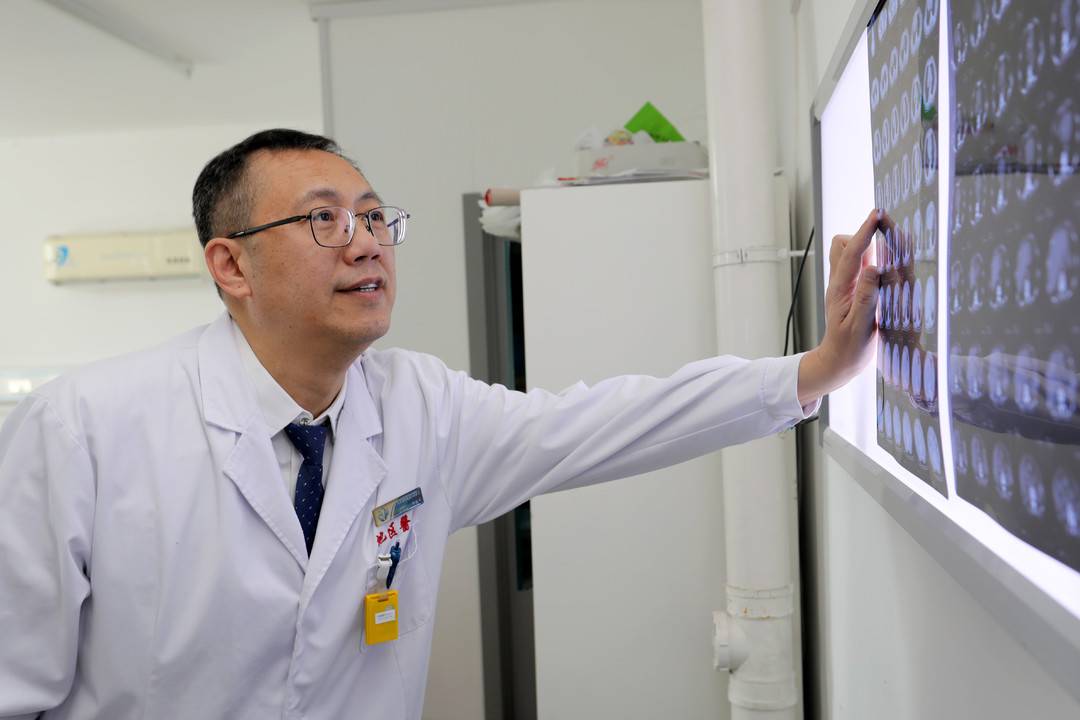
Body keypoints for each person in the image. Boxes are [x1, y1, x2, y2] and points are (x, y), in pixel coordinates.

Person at [0, 129, 881, 720]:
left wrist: (813, 372)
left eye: (374, 217)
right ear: (231, 266)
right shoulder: (85, 430)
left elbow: (608, 423)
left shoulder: (420, 407)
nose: (366, 242)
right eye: (323, 219)